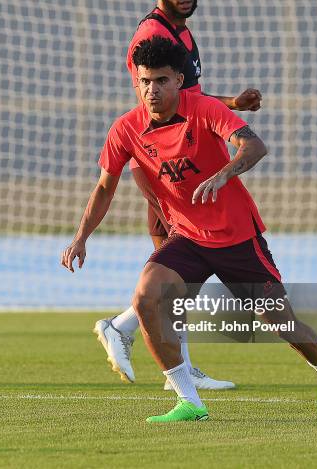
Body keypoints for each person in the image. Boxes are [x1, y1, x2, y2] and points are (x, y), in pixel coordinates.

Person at [62, 37, 317, 422]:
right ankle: (189, 401)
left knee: (281, 323)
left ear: (179, 80)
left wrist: (223, 174)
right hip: (187, 237)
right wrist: (82, 236)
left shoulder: (204, 109)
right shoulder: (126, 129)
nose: (152, 89)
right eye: (145, 81)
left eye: (161, 80)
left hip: (237, 237)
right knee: (147, 297)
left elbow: (254, 146)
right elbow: (104, 187)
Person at [94, 0, 262, 390]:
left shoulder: (181, 31)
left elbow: (188, 98)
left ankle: (176, 366)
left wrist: (232, 104)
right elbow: (160, 106)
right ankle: (122, 329)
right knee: (180, 267)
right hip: (163, 166)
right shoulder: (153, 34)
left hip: (184, 164)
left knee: (186, 275)